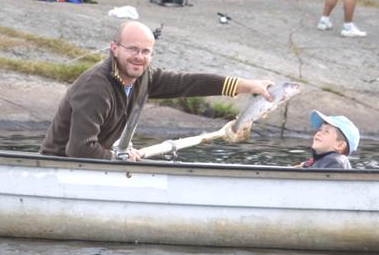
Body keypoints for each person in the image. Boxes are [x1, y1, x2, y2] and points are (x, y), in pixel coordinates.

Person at [40, 21, 274, 161]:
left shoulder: (144, 76)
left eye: (146, 51)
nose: (139, 58)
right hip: (59, 166)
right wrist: (118, 158)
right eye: (132, 49)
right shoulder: (96, 87)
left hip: (91, 167)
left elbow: (188, 83)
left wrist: (247, 85)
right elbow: (79, 149)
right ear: (114, 49)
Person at [295, 110, 360, 169]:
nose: (319, 133)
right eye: (320, 130)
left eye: (326, 131)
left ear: (340, 145)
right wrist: (305, 165)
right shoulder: (322, 160)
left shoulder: (335, 161)